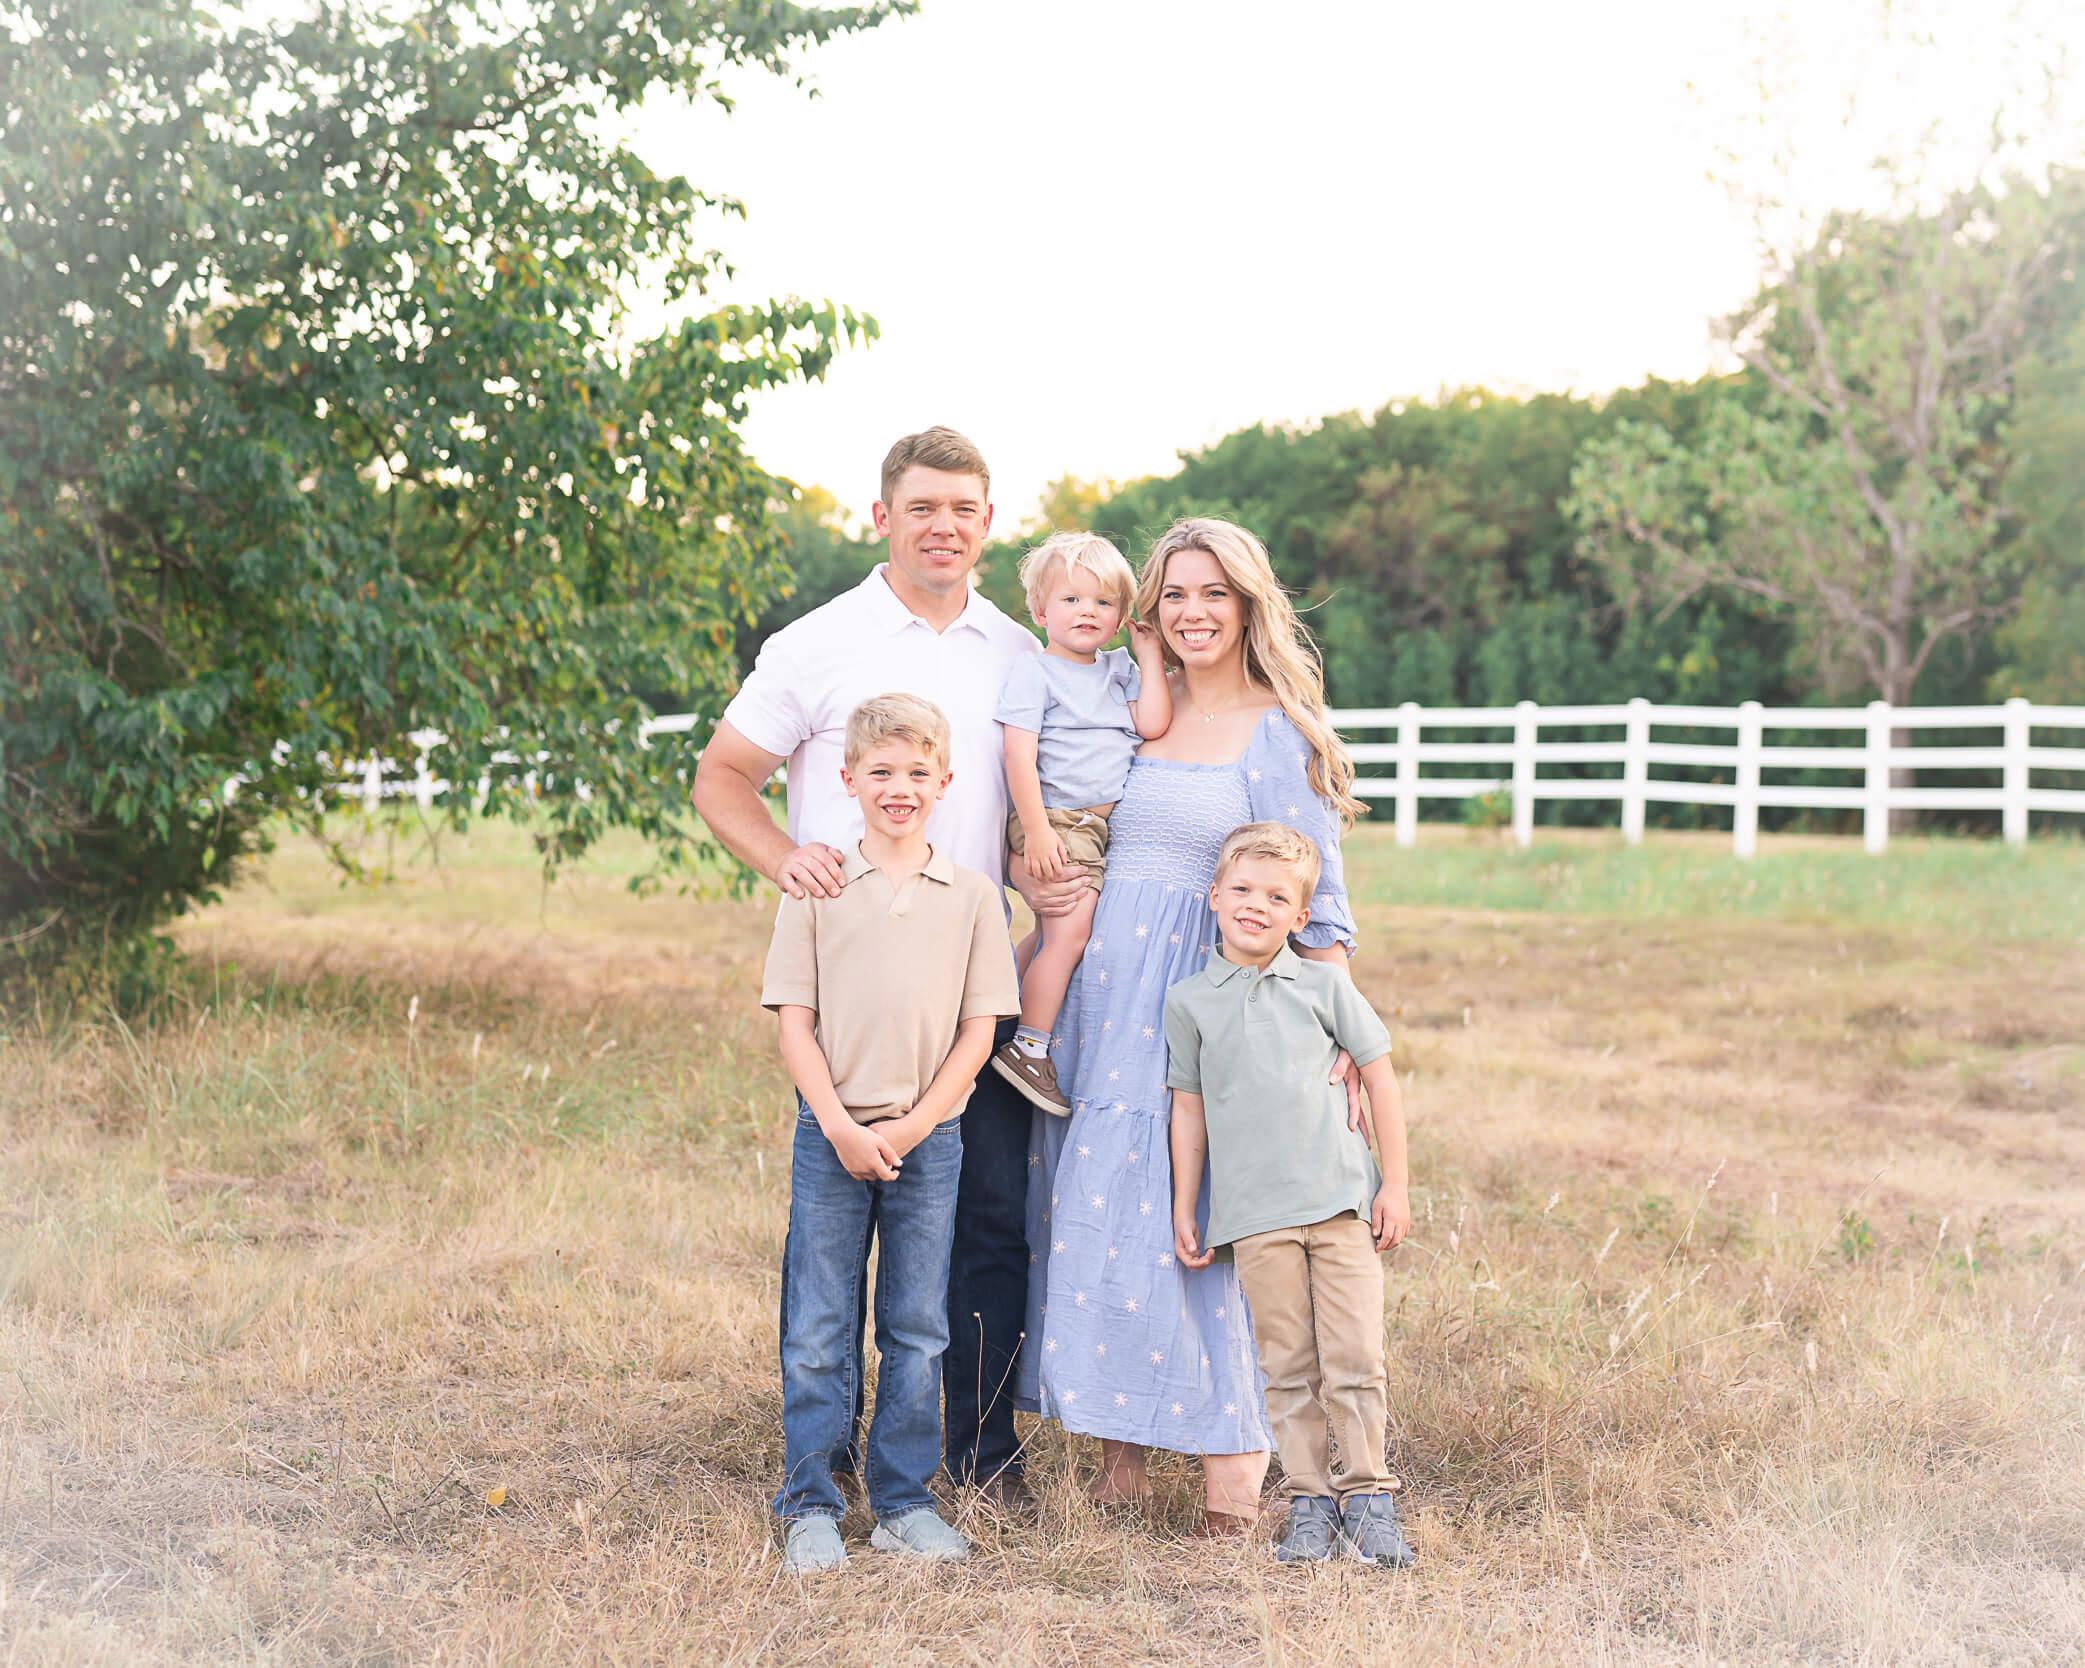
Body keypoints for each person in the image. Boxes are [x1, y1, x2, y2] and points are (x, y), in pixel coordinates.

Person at [692, 426, 1084, 1510]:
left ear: (988, 524)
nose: (943, 526)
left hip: (975, 982)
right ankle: (830, 1456)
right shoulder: (819, 642)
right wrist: (793, 863)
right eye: (922, 507)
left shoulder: (1020, 650)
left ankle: (978, 1448)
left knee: (989, 1217)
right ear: (883, 517)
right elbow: (723, 778)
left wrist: (1047, 873)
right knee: (835, 1226)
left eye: (963, 508)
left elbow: (1024, 798)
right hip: (857, 984)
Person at [1020, 516, 1368, 1534]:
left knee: (1203, 1225)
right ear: (1151, 613)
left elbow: (1321, 909)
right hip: (1101, 1003)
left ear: (1247, 602)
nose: (1194, 612)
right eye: (1175, 594)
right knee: (1102, 1213)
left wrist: (1331, 1042)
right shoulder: (1138, 714)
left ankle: (1233, 1469)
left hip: (1206, 1015)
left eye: (1214, 593)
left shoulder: (1277, 731)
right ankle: (1121, 1451)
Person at [762, 694, 1021, 1571]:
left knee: (916, 1326)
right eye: (880, 771)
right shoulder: (819, 884)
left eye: (917, 772)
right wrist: (837, 1124)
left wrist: (914, 1125)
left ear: (945, 782)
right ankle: (810, 1503)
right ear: (847, 781)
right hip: (830, 1135)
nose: (899, 787)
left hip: (929, 1139)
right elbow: (795, 1022)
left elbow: (978, 1032)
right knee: (819, 1324)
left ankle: (904, 1501)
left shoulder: (973, 896)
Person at [1167, 822, 1416, 1569]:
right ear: (1213, 896)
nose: (1256, 905)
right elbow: (1188, 1108)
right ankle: (1308, 1500)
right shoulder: (1189, 1002)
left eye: (1277, 897)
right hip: (1254, 1217)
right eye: (1241, 889)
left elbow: (1378, 1077)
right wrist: (1187, 1204)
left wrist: (1395, 1184)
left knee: (1354, 1356)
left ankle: (1368, 1497)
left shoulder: (1323, 985)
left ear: (1299, 916)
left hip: (1339, 1203)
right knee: (1287, 1365)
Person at [991, 532, 1171, 1114]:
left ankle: (990, 1004)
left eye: (1102, 602)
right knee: (1071, 934)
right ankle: (1029, 1047)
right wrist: (1038, 829)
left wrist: (1148, 656)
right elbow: (1018, 755)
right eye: (1070, 600)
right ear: (1041, 612)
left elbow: (1153, 724)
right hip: (1057, 820)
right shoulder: (1035, 673)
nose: (1087, 612)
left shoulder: (1117, 671)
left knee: (1050, 934)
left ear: (1121, 616)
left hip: (1091, 830)